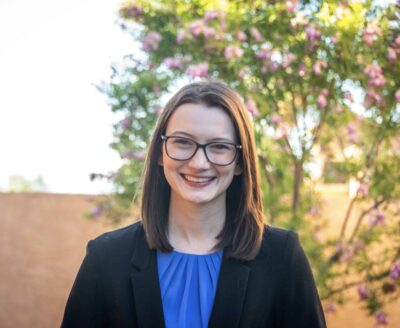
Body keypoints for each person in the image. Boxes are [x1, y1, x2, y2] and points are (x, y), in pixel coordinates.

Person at [61, 81, 326, 328]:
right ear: (159, 154)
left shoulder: (282, 258)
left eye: (219, 146)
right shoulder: (106, 258)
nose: (199, 163)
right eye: (183, 142)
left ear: (239, 163)